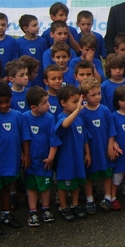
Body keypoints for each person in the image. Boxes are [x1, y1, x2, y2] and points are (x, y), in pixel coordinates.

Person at [0, 81, 30, 235]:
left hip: (11, 160)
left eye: (6, 101)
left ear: (11, 99)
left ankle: (6, 214)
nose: (3, 105)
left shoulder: (18, 116)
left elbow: (24, 137)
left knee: (7, 189)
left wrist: (26, 154)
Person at [22, 86, 60, 226]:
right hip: (31, 161)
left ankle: (45, 209)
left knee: (45, 186)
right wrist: (25, 155)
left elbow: (53, 139)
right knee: (31, 187)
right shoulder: (25, 117)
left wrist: (51, 157)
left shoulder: (50, 118)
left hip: (45, 160)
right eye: (44, 103)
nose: (49, 105)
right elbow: (24, 138)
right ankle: (33, 211)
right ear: (34, 107)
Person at [79, 78, 115, 212]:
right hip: (91, 150)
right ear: (84, 97)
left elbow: (111, 130)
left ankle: (107, 197)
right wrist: (87, 153)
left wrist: (111, 146)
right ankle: (89, 200)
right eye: (93, 95)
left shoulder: (105, 110)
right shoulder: (82, 113)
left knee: (107, 174)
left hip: (104, 148)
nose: (97, 97)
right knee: (89, 175)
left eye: (98, 94)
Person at [55, 85, 90, 220]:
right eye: (74, 102)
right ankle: (63, 207)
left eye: (78, 101)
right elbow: (64, 125)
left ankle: (75, 205)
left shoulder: (80, 119)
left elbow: (85, 137)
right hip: (66, 159)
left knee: (76, 182)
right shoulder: (62, 116)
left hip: (78, 156)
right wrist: (77, 110)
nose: (78, 105)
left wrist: (87, 153)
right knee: (64, 184)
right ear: (63, 103)